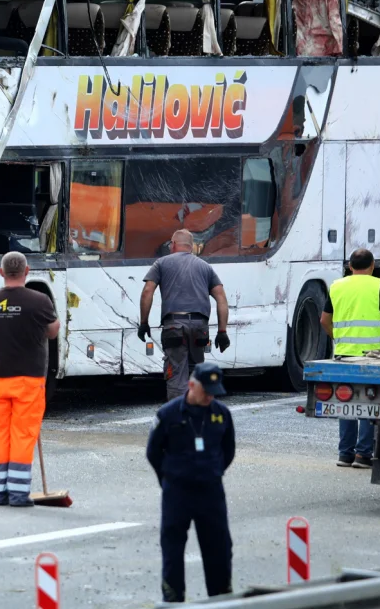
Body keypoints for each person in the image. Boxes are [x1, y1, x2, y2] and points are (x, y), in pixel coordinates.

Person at [147, 362, 235, 603]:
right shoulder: (169, 414)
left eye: (214, 392)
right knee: (173, 549)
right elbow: (153, 452)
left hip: (211, 491)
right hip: (178, 491)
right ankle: (173, 600)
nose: (210, 397)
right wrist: (167, 480)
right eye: (206, 391)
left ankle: (220, 599)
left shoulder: (221, 415)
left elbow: (228, 451)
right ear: (191, 385)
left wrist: (212, 472)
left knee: (219, 547)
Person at [0, 251, 60, 507]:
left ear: (1, 272)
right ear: (27, 272)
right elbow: (53, 331)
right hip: (29, 379)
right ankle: (17, 492)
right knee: (24, 434)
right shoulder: (40, 301)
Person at [320, 248, 380, 468]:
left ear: (350, 266)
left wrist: (337, 337)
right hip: (372, 355)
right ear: (373, 265)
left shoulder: (337, 286)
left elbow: (324, 320)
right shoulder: (378, 285)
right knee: (368, 402)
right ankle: (363, 455)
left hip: (343, 353)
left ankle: (345, 454)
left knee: (345, 401)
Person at [138, 229, 231, 401]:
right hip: (199, 327)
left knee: (176, 373)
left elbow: (147, 292)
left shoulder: (161, 263)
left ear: (173, 244)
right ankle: (197, 415)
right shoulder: (205, 267)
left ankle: (178, 417)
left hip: (174, 326)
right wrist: (222, 332)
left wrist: (144, 322)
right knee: (196, 372)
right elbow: (221, 299)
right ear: (191, 246)